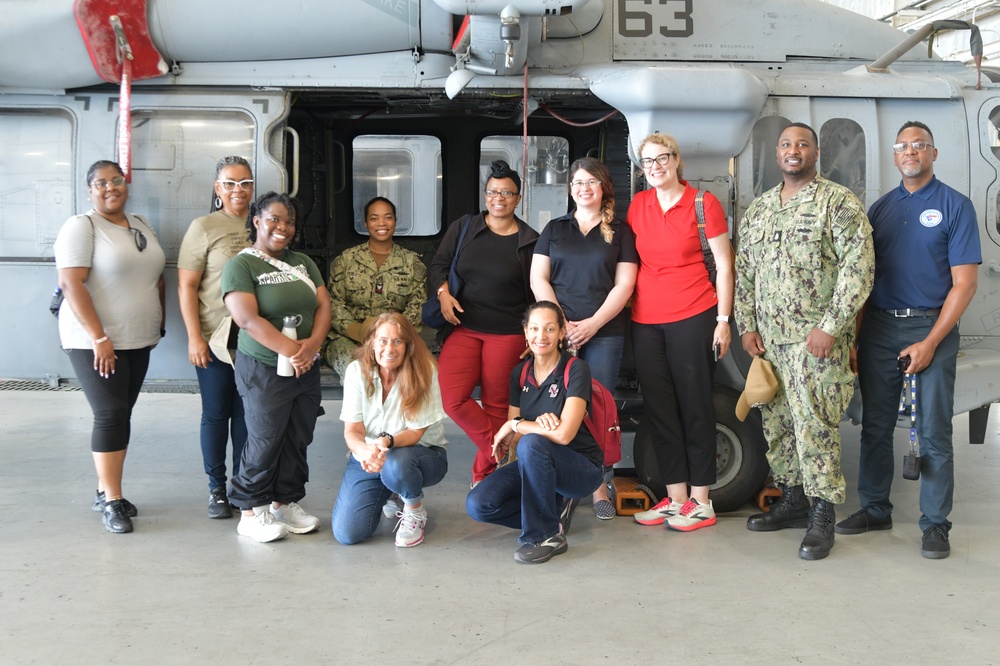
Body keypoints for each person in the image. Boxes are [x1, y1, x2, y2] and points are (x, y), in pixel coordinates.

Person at [836, 122, 981, 559]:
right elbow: (862, 281)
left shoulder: (956, 206)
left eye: (919, 145)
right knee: (875, 426)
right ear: (895, 157)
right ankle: (875, 507)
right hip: (879, 326)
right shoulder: (879, 210)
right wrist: (858, 341)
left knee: (933, 429)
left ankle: (935, 524)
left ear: (933, 154)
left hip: (930, 325)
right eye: (903, 146)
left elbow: (965, 284)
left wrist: (932, 341)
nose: (910, 152)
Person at [735, 122, 874, 560]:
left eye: (802, 144)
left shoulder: (838, 203)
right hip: (771, 343)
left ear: (816, 151)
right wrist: (746, 324)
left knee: (815, 426)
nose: (793, 151)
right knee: (777, 426)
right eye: (786, 144)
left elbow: (858, 270)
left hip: (816, 342)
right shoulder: (759, 209)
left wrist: (830, 327)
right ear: (777, 154)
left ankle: (821, 515)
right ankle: (792, 500)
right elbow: (745, 272)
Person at [625, 134, 735, 533]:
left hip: (693, 314)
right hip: (646, 320)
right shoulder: (638, 206)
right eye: (647, 161)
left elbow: (724, 265)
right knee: (660, 410)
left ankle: (701, 502)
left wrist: (723, 319)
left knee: (695, 406)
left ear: (677, 161)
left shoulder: (704, 204)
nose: (655, 166)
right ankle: (675, 499)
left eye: (662, 158)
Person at [54, 160, 166, 534]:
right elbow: (72, 285)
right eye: (100, 182)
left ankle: (106, 488)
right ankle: (112, 500)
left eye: (116, 180)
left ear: (126, 184)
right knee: (110, 413)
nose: (110, 187)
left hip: (137, 338)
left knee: (121, 414)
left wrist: (158, 319)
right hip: (96, 341)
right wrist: (99, 338)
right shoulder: (81, 226)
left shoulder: (140, 224)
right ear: (90, 190)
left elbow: (153, 275)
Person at [530, 157, 637, 519]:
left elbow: (625, 285)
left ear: (604, 188)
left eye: (592, 181)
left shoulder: (620, 232)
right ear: (570, 190)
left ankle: (598, 484)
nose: (584, 188)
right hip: (557, 334)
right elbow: (538, 279)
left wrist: (592, 323)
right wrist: (561, 323)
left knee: (597, 408)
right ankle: (559, 480)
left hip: (605, 331)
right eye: (578, 182)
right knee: (556, 405)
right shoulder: (554, 229)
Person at [221, 191, 331, 543]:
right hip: (264, 367)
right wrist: (293, 351)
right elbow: (247, 319)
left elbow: (324, 305)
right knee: (265, 436)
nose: (283, 227)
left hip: (305, 364)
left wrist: (311, 347)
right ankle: (250, 511)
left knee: (298, 435)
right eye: (274, 219)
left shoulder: (302, 262)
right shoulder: (242, 265)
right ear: (257, 221)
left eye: (289, 221)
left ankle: (284, 502)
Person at [466, 302, 604, 563]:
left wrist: (516, 424)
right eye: (535, 328)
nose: (542, 336)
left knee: (533, 443)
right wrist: (532, 425)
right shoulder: (520, 374)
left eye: (550, 329)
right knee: (479, 504)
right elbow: (516, 439)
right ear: (526, 333)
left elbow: (563, 435)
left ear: (562, 333)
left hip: (581, 467)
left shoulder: (575, 369)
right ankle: (551, 513)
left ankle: (546, 535)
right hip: (535, 460)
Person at [429, 159, 539, 485]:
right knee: (453, 400)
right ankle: (502, 453)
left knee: (496, 406)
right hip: (464, 327)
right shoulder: (465, 227)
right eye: (492, 192)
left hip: (507, 334)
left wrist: (532, 338)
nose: (498, 198)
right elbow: (439, 265)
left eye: (507, 193)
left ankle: (483, 477)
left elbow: (538, 293)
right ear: (485, 194)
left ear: (518, 198)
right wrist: (443, 293)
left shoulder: (530, 241)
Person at [332, 313, 448, 547]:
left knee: (397, 463)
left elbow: (416, 433)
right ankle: (393, 490)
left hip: (420, 454)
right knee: (348, 534)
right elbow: (352, 431)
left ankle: (414, 508)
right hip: (373, 456)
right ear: (372, 343)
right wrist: (365, 452)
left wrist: (385, 442)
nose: (389, 348)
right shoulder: (356, 371)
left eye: (398, 341)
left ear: (408, 346)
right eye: (383, 340)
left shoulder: (424, 370)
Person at [178, 156, 253, 519]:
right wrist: (195, 337)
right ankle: (216, 489)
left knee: (246, 416)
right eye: (230, 183)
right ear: (217, 188)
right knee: (216, 414)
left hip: (254, 341)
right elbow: (187, 285)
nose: (238, 190)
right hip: (215, 339)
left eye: (245, 183)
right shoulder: (204, 227)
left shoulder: (261, 224)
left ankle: (241, 484)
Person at [325, 196, 427, 381]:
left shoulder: (411, 263)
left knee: (407, 372)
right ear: (365, 223)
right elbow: (333, 303)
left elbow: (417, 306)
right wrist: (358, 331)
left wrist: (392, 336)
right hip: (350, 339)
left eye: (388, 217)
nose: (382, 223)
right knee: (358, 372)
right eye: (374, 218)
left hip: (397, 339)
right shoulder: (347, 260)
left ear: (395, 222)